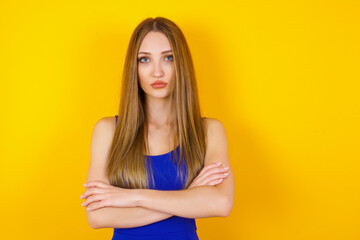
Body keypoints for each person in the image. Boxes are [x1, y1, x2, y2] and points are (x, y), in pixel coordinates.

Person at [80, 17, 234, 240]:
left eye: (168, 58)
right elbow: (97, 216)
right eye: (145, 60)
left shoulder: (209, 131)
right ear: (133, 67)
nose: (157, 72)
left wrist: (133, 197)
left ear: (181, 64)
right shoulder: (108, 131)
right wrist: (188, 197)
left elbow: (221, 203)